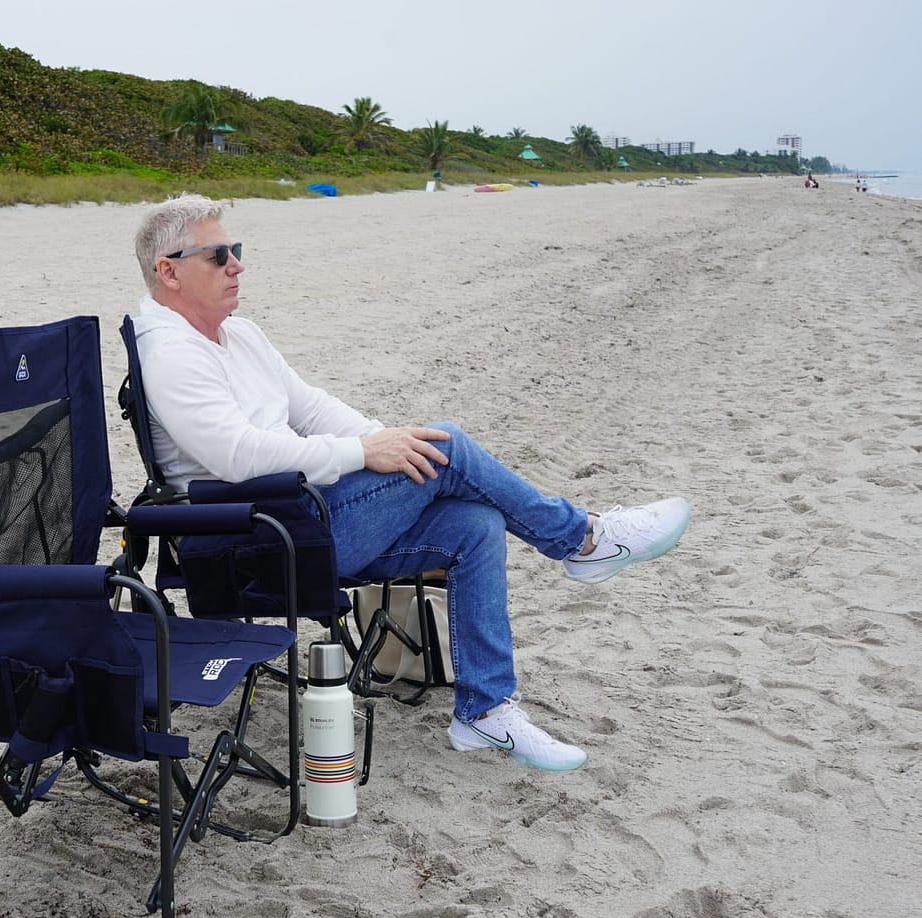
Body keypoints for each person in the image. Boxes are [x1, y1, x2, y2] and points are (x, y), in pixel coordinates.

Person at [131, 194, 691, 774]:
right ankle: (586, 540)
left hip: (303, 517)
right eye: (219, 254)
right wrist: (365, 453)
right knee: (447, 445)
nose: (237, 265)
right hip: (254, 541)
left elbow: (314, 408)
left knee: (475, 524)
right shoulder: (170, 353)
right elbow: (237, 456)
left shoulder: (238, 335)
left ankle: (485, 711)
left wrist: (387, 442)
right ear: (168, 270)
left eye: (237, 250)